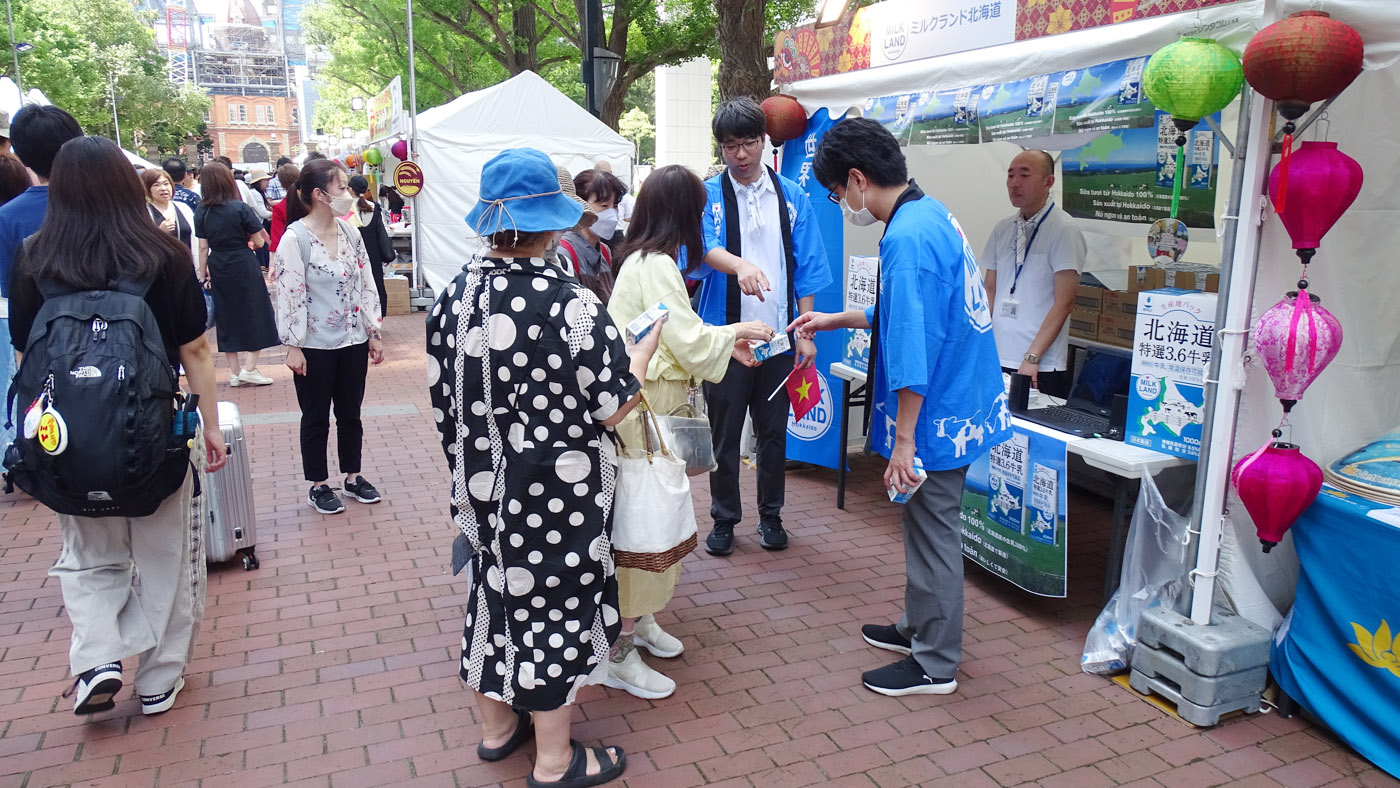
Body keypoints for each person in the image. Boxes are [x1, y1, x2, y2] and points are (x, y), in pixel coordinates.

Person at [428, 147, 656, 788]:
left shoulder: (452, 299)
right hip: (556, 492)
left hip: (480, 485)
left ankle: (498, 729)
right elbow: (614, 406)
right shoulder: (570, 306)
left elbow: (442, 399)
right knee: (554, 605)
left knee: (492, 594)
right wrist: (640, 354)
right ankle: (555, 760)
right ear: (552, 226)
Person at [789, 117, 1010, 697]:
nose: (843, 206)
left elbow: (914, 349)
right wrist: (839, 317)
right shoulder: (927, 212)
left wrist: (905, 441)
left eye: (838, 195)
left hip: (941, 408)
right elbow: (909, 312)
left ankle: (935, 662)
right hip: (962, 395)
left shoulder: (906, 238)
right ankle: (918, 626)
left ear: (858, 180)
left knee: (934, 528)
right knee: (922, 523)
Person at [8, 135, 227, 716]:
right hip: (153, 431)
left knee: (86, 552)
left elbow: (28, 358)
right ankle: (158, 680)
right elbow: (197, 350)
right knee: (164, 556)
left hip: (68, 438)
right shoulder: (161, 254)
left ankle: (99, 657)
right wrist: (209, 424)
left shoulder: (34, 257)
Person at [603, 164, 774, 699]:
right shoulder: (655, 264)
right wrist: (737, 332)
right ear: (683, 213)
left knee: (651, 518)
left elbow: (673, 337)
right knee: (642, 523)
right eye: (699, 211)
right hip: (646, 410)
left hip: (652, 404)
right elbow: (687, 338)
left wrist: (722, 341)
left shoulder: (645, 260)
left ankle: (641, 620)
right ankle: (620, 647)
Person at [692, 97, 831, 556]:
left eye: (750, 142)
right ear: (721, 149)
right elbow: (701, 248)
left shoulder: (791, 196)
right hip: (727, 340)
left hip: (777, 338)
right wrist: (740, 266)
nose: (742, 155)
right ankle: (724, 519)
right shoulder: (709, 196)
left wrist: (805, 333)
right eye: (731, 146)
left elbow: (808, 266)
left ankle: (772, 516)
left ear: (764, 140)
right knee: (724, 433)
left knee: (773, 432)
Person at [274, 158, 385, 515]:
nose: (347, 194)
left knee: (350, 412)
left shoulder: (350, 232)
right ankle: (319, 484)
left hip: (352, 339)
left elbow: (365, 282)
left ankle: (353, 476)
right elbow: (288, 293)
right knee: (316, 415)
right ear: (320, 194)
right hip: (314, 345)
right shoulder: (295, 238)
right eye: (341, 188)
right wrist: (292, 344)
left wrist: (373, 331)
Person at [0, 105, 82, 461]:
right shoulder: (110, 207)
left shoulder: (7, 217)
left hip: (42, 340)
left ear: (22, 155)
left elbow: (8, 289)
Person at [982, 150, 1086, 397]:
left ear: (1048, 182)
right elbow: (990, 289)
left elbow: (1065, 302)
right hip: (996, 354)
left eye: (1024, 175)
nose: (1014, 183)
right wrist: (981, 344)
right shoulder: (1003, 228)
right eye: (1010, 175)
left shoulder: (1064, 230)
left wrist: (1032, 356)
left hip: (1039, 365)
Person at [195, 162, 279, 386]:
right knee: (256, 311)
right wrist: (249, 242)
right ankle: (249, 368)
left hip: (218, 264)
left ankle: (234, 373)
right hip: (243, 262)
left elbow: (203, 248)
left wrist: (203, 274)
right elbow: (260, 241)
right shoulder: (239, 208)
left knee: (227, 317)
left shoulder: (201, 211)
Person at [556, 168, 616, 302]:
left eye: (615, 206)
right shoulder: (564, 253)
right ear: (581, 204)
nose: (612, 213)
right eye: (604, 205)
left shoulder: (605, 252)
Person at [347, 174, 390, 312]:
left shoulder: (345, 208)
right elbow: (381, 231)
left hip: (353, 254)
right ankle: (378, 313)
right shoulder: (375, 207)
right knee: (376, 284)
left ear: (350, 189)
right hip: (374, 253)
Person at [141, 168, 197, 265]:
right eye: (156, 185)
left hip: (187, 266)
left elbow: (196, 239)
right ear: (147, 188)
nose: (163, 188)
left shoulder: (183, 208)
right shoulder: (144, 212)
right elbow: (139, 244)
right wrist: (160, 232)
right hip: (160, 268)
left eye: (166, 184)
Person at [245, 168, 274, 271]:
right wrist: (277, 214)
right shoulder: (256, 194)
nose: (268, 182)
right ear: (260, 181)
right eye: (266, 180)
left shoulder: (257, 193)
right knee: (262, 247)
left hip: (260, 224)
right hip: (259, 225)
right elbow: (263, 213)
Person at [268, 162, 299, 252]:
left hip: (290, 251)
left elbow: (277, 240)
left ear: (281, 184)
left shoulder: (279, 208)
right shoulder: (311, 202)